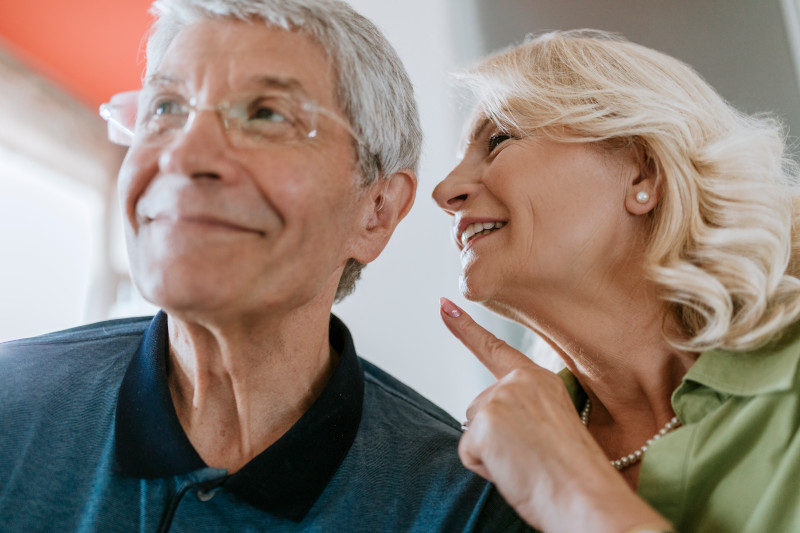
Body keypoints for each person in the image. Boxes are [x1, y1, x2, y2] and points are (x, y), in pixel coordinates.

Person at [0, 1, 528, 531]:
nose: (185, 157)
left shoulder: (461, 505)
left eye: (266, 114)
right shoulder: (9, 405)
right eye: (165, 108)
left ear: (376, 212)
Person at [432, 29, 800, 533]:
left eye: (499, 140)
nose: (444, 191)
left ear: (641, 173)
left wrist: (566, 489)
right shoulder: (486, 463)